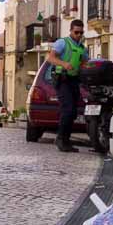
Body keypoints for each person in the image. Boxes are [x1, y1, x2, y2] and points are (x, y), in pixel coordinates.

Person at [46, 19, 89, 152]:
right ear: (70, 30)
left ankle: (66, 140)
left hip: (74, 80)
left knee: (73, 112)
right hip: (62, 79)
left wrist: (86, 69)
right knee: (68, 109)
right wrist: (64, 64)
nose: (78, 35)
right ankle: (61, 139)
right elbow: (50, 58)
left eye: (81, 33)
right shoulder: (62, 43)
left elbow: (84, 63)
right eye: (76, 32)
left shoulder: (82, 48)